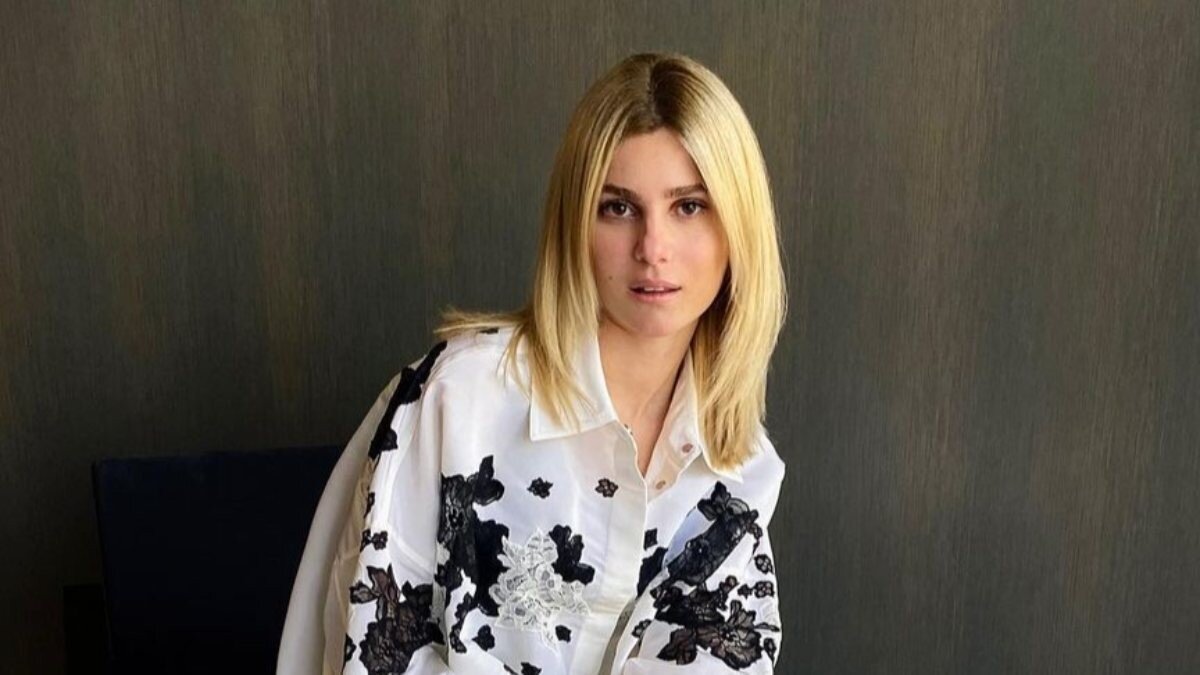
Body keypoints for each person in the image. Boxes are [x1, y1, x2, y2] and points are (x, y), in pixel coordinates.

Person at [277, 51, 788, 674]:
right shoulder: (459, 400)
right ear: (575, 224)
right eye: (618, 207)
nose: (653, 248)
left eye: (689, 206)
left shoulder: (738, 467)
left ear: (738, 226)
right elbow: (374, 650)